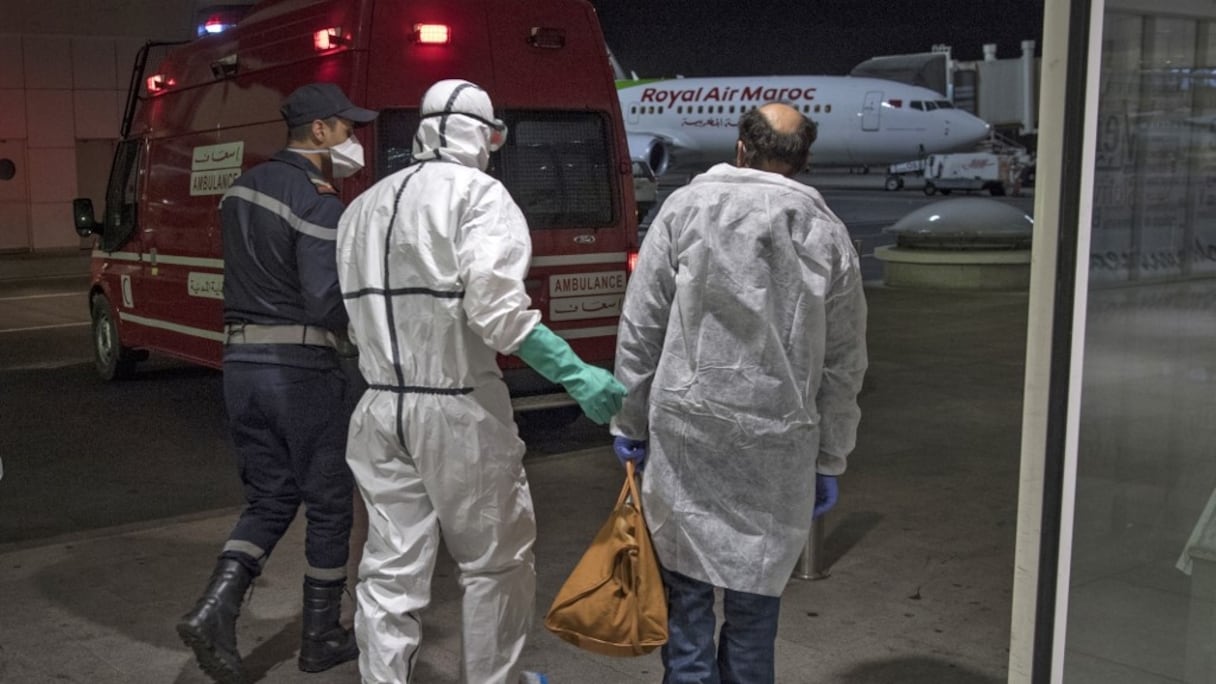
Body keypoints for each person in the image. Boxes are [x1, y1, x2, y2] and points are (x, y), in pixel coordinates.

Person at [334, 78, 625, 684]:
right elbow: (498, 316)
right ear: (484, 133)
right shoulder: (480, 196)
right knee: (494, 564)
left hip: (378, 408)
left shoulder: (363, 205)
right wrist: (577, 374)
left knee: (389, 569)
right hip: (457, 411)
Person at [610, 102, 869, 684]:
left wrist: (628, 420)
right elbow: (844, 360)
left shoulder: (685, 209)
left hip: (686, 441)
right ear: (802, 161)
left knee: (687, 608)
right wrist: (831, 456)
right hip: (777, 451)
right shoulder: (824, 230)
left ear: (740, 147)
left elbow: (642, 327)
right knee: (754, 616)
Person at [176, 82, 379, 684]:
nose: (353, 139)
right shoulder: (318, 200)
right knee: (328, 502)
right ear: (319, 131)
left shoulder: (242, 188)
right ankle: (320, 639)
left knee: (268, 498)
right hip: (302, 372)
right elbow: (324, 300)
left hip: (241, 368)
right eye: (347, 128)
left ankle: (216, 610)